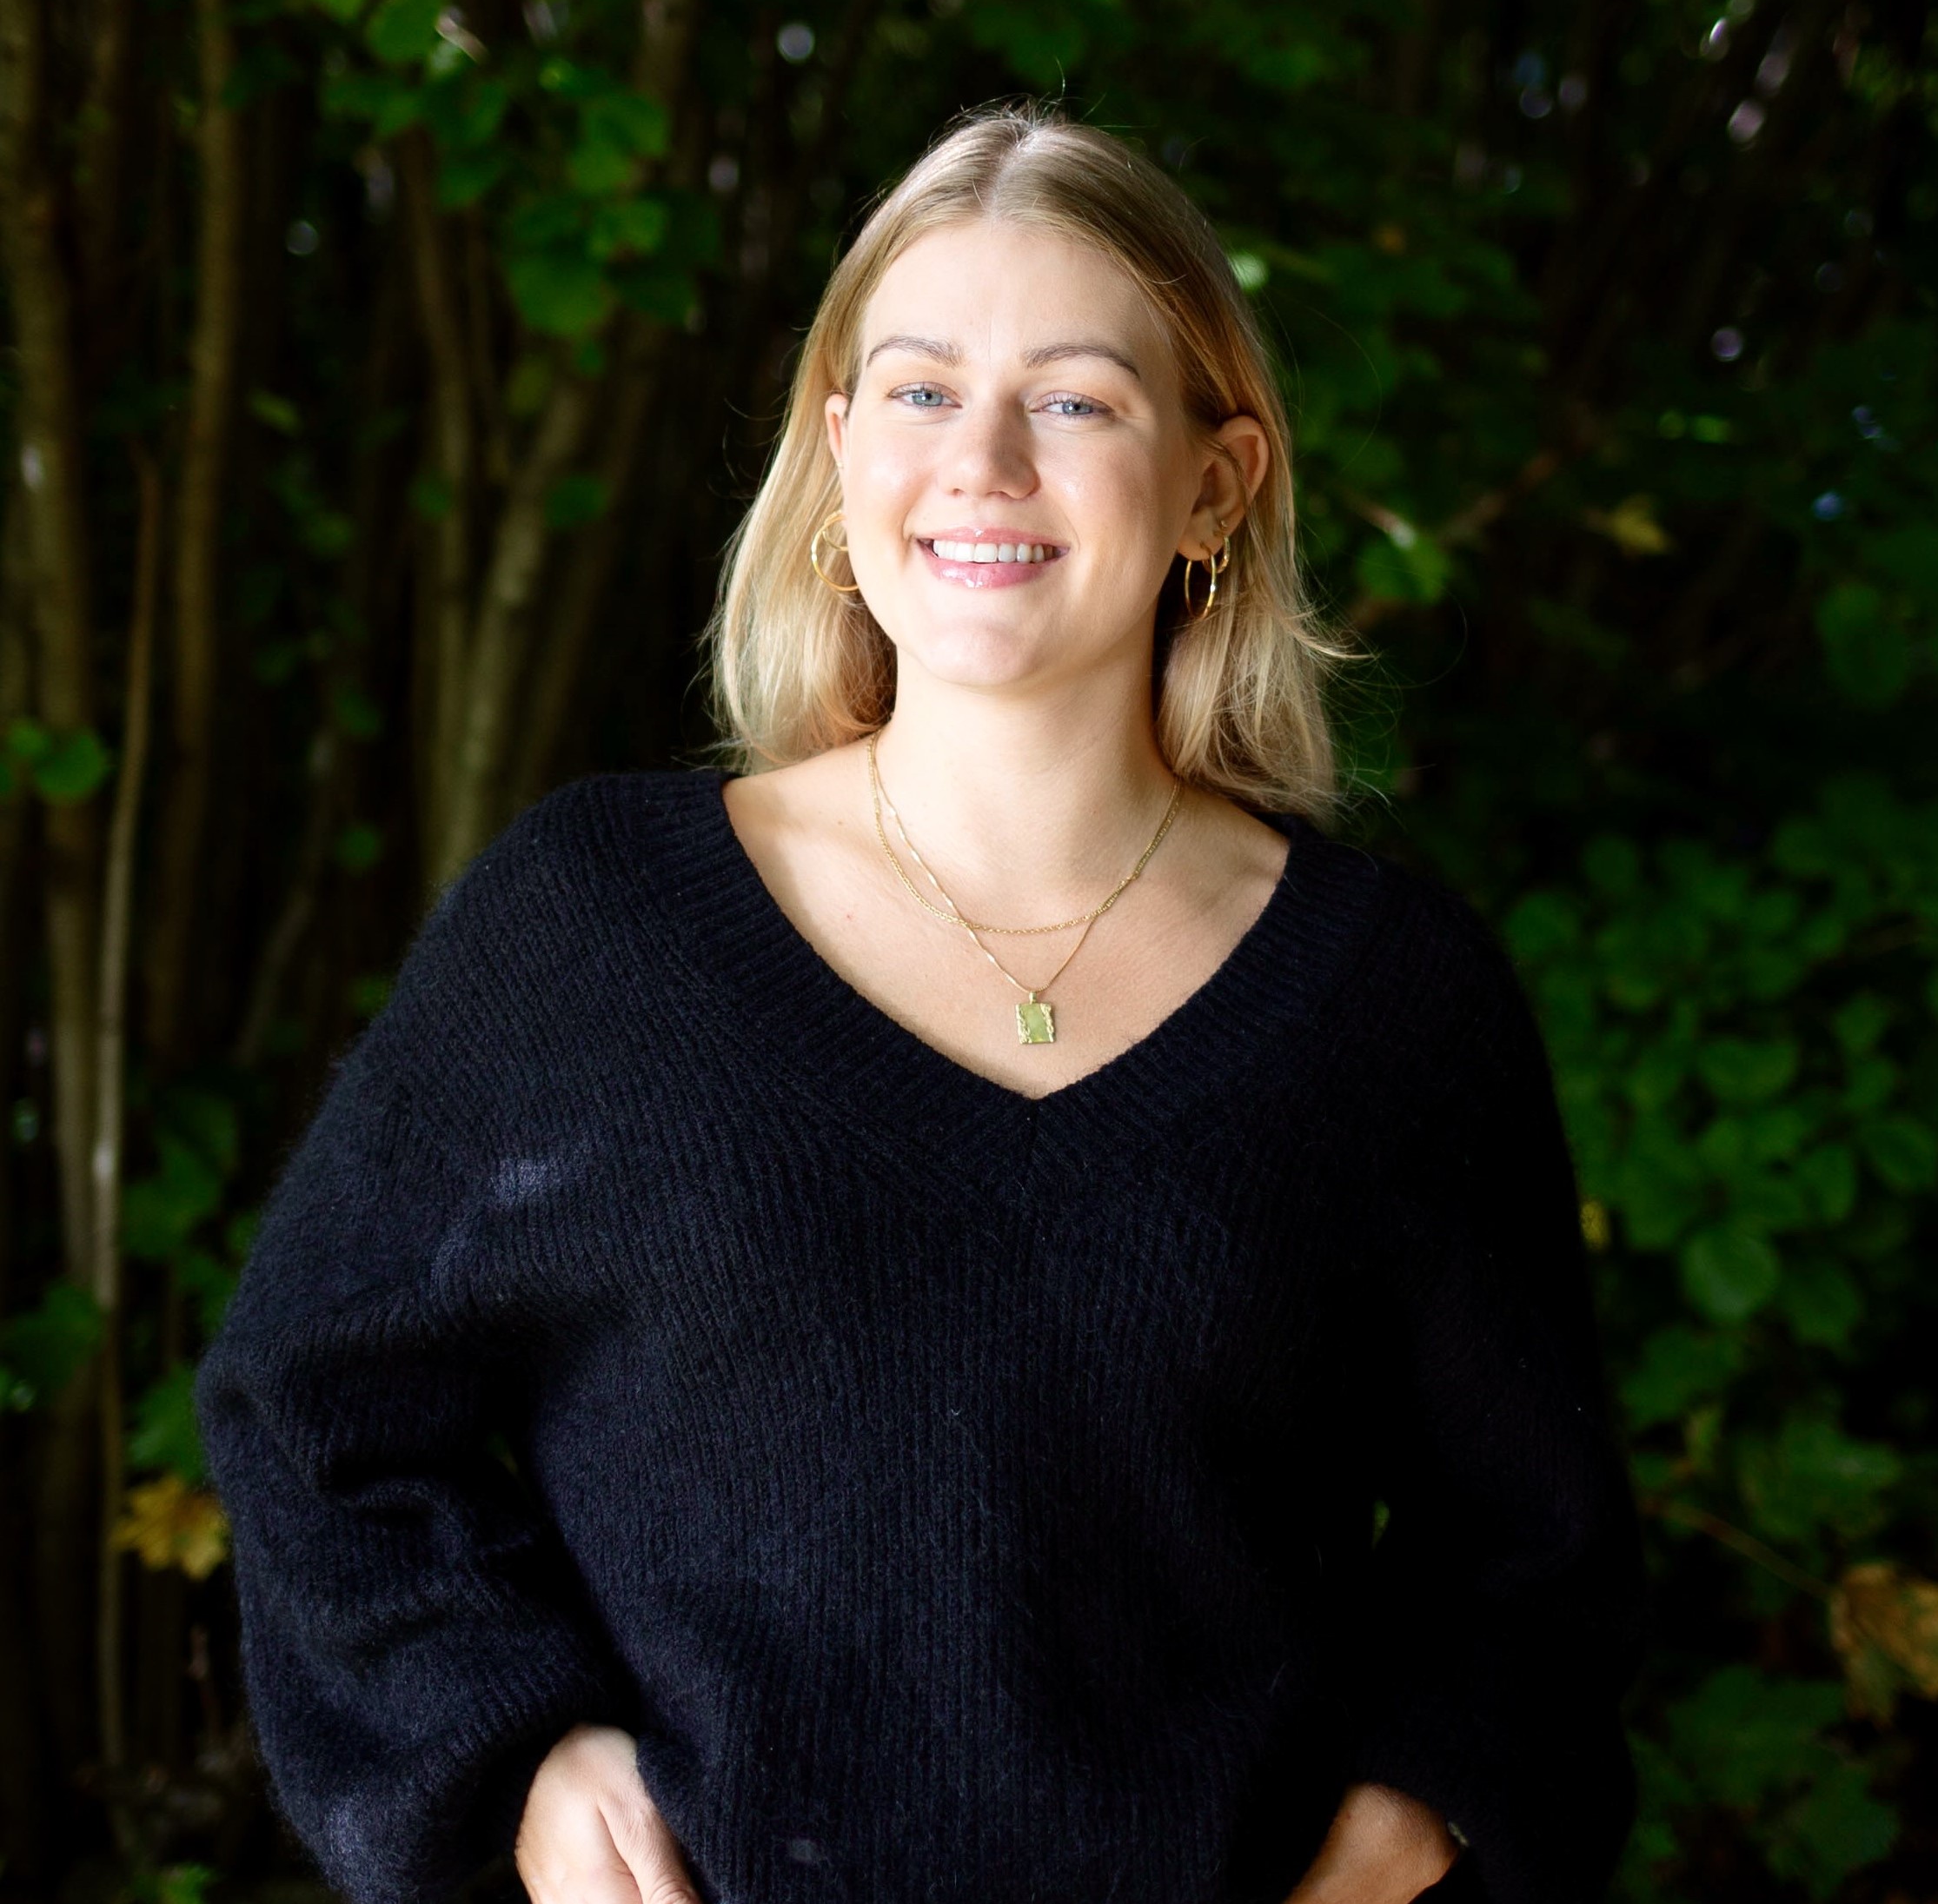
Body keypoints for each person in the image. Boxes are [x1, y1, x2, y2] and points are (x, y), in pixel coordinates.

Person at [197, 103, 1649, 1904]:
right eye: (917, 390)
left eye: (1075, 401)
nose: (981, 461)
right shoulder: (591, 929)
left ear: (1215, 485)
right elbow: (313, 1407)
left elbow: (1528, 1550)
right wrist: (513, 1747)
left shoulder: (1390, 1004)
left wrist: (1408, 1813)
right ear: (835, 452)